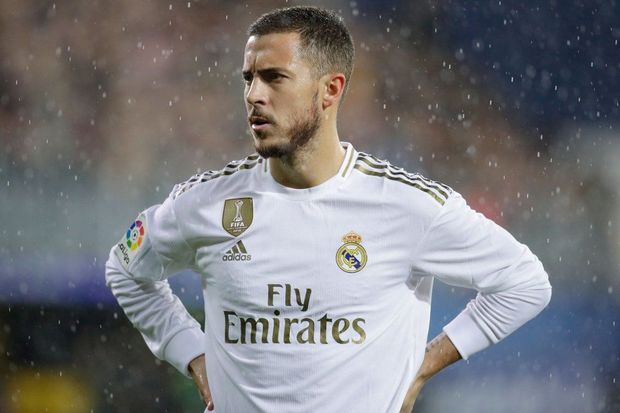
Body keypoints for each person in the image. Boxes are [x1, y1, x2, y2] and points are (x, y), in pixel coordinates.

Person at [105, 6, 552, 412]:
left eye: (274, 78)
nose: (254, 95)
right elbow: (126, 269)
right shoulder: (205, 204)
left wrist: (423, 366)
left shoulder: (406, 206)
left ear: (330, 89)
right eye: (249, 78)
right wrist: (193, 354)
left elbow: (524, 282)